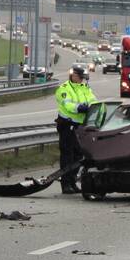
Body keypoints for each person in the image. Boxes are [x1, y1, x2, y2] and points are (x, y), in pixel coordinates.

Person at [55, 66, 98, 194]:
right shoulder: (64, 89)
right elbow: (67, 104)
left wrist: (95, 107)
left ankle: (73, 182)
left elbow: (93, 100)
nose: (82, 81)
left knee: (78, 155)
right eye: (81, 78)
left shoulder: (85, 88)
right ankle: (66, 184)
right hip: (67, 126)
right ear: (74, 76)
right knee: (67, 155)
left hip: (80, 126)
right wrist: (79, 108)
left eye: (83, 79)